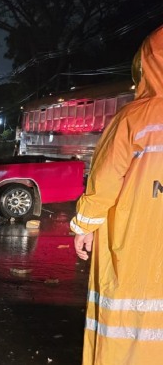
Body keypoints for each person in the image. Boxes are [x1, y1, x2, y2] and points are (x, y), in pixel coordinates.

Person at [71, 24, 163, 364]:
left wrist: (84, 226)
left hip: (137, 241)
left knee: (126, 320)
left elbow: (105, 180)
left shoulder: (135, 118)